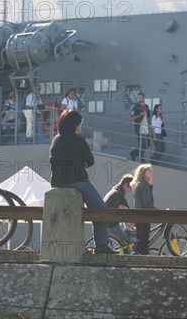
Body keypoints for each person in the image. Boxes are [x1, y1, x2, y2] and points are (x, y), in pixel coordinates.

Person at [49, 109, 114, 254]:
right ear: (75, 125)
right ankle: (102, 246)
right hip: (78, 181)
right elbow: (90, 161)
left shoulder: (56, 139)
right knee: (100, 209)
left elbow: (53, 161)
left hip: (57, 182)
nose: (81, 126)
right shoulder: (78, 140)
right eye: (80, 123)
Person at [103, 174, 135, 246]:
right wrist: (136, 225)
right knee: (129, 243)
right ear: (126, 185)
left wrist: (130, 226)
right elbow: (124, 215)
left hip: (105, 223)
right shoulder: (119, 195)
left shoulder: (115, 190)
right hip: (111, 226)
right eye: (131, 187)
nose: (131, 190)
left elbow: (123, 216)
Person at [132, 163, 156, 255]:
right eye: (149, 170)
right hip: (144, 217)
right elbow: (148, 204)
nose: (152, 172)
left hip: (139, 217)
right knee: (144, 242)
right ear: (143, 173)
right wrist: (160, 212)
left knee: (141, 241)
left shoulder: (139, 185)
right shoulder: (144, 186)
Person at [129, 92, 151, 162]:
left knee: (148, 143)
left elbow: (148, 117)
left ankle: (133, 153)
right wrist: (140, 115)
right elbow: (132, 117)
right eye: (138, 98)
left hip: (146, 127)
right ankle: (141, 158)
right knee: (142, 143)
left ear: (144, 98)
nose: (140, 99)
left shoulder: (146, 106)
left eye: (141, 97)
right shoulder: (136, 106)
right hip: (139, 127)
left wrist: (149, 126)